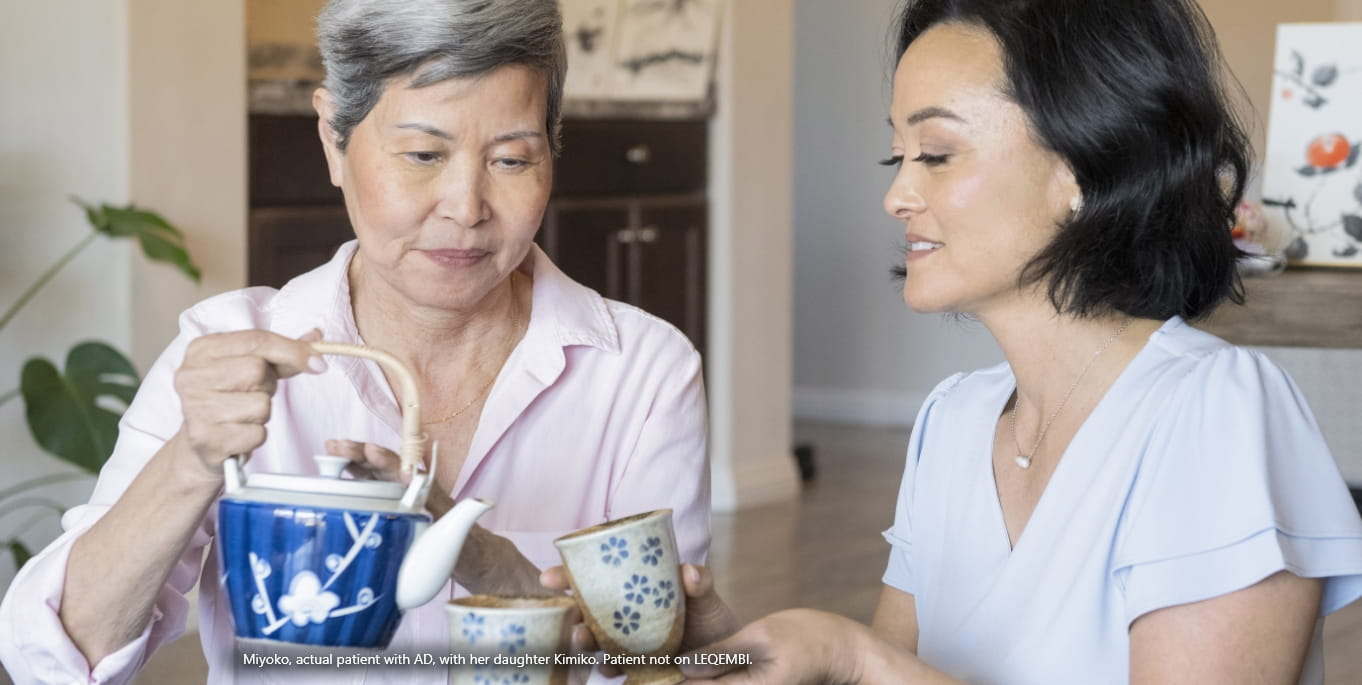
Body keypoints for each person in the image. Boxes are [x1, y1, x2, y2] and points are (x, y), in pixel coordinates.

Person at [0, 1, 709, 683]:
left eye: (512, 161)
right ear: (333, 138)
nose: (465, 207)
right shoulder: (224, 345)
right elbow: (54, 659)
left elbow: (659, 663)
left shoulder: (641, 374)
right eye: (424, 154)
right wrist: (191, 460)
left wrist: (484, 556)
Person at [667, 0, 1362, 683]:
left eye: (937, 153)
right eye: (896, 157)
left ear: (1082, 169)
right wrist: (741, 652)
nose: (898, 194)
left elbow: (877, 670)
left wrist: (856, 655)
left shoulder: (1215, 414)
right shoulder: (952, 422)